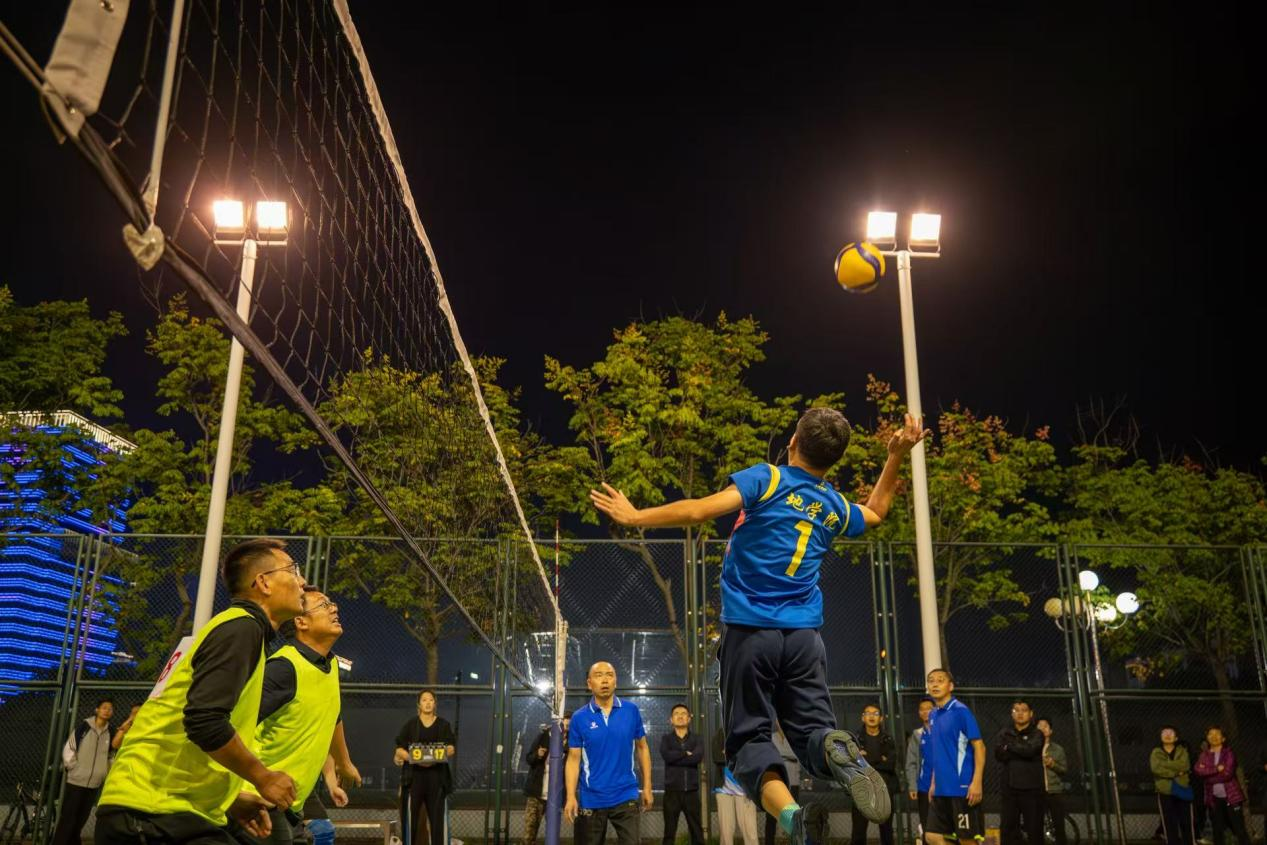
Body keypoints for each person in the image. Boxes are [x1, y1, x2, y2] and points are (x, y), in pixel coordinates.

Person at [591, 410, 928, 844]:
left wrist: (636, 516)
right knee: (813, 734)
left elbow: (699, 510)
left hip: (751, 633)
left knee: (747, 743)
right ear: (834, 460)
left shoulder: (768, 479)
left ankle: (791, 815)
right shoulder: (834, 506)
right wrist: (896, 455)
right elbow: (877, 511)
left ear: (793, 443)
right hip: (804, 640)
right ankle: (825, 765)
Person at [95, 538, 306, 843]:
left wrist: (230, 799)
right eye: (293, 570)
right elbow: (204, 721)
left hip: (163, 809)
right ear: (263, 583)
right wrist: (263, 777)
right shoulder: (242, 628)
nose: (302, 581)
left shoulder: (242, 630)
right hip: (151, 811)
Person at [238, 590, 360, 845]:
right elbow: (234, 724)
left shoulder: (330, 664)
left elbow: (332, 716)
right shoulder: (283, 668)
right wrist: (245, 786)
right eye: (323, 605)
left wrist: (344, 763)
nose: (334, 608)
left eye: (332, 603)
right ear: (301, 622)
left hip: (291, 802)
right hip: (259, 801)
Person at [563, 662, 653, 845]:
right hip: (591, 797)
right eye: (598, 675)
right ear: (589, 684)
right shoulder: (579, 717)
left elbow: (643, 748)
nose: (604, 680)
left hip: (626, 794)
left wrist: (647, 787)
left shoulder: (631, 711)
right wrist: (571, 796)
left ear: (615, 682)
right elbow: (573, 759)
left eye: (609, 675)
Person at [922, 669, 986, 845]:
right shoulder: (933, 714)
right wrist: (933, 783)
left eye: (940, 680)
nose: (935, 684)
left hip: (962, 789)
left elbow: (980, 747)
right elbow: (939, 751)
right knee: (932, 836)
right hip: (941, 789)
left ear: (950, 686)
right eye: (931, 681)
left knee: (967, 841)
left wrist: (977, 782)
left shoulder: (961, 711)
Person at [394, 690, 456, 845]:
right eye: (424, 700)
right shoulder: (411, 725)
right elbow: (399, 749)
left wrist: (433, 756)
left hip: (437, 778)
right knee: (411, 823)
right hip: (414, 779)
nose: (427, 703)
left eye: (431, 700)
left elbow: (451, 748)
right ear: (419, 704)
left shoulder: (443, 725)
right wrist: (415, 758)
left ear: (435, 704)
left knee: (438, 822)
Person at [51, 698, 116, 845]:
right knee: (68, 819)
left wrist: (103, 773)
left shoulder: (111, 732)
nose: (107, 711)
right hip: (76, 781)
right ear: (97, 710)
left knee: (81, 819)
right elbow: (70, 748)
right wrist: (74, 768)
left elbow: (111, 756)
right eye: (104, 707)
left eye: (110, 709)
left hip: (94, 784)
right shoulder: (83, 728)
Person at [994, 699, 1044, 845]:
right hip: (1009, 789)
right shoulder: (1004, 732)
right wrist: (1020, 748)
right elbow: (999, 754)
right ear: (1012, 713)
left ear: (1031, 713)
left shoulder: (1037, 733)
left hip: (1032, 790)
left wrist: (1009, 746)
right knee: (1008, 829)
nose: (1020, 713)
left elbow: (1030, 750)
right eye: (1016, 710)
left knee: (1034, 830)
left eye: (1024, 710)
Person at [1193, 726, 1251, 845]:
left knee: (1239, 830)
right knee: (1217, 831)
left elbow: (1227, 775)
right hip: (1213, 799)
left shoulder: (1228, 753)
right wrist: (1216, 769)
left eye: (1217, 734)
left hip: (1232, 798)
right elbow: (1198, 771)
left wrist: (1208, 774)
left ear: (1223, 738)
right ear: (1207, 738)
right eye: (1211, 734)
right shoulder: (1204, 755)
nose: (1214, 736)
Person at [522, 711, 571, 845]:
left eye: (568, 727)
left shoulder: (572, 742)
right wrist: (537, 755)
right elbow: (529, 758)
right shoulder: (543, 737)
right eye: (565, 723)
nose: (566, 729)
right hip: (536, 794)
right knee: (529, 833)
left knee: (553, 834)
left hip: (555, 796)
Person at [852, 705, 897, 845]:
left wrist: (866, 758)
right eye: (868, 713)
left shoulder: (888, 739)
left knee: (886, 831)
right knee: (858, 832)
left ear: (881, 718)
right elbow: (854, 764)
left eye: (875, 713)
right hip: (861, 789)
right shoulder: (856, 739)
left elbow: (890, 764)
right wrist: (880, 759)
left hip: (884, 790)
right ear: (863, 717)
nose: (871, 716)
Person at [661, 704, 704, 845]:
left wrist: (677, 757)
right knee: (669, 834)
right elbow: (667, 756)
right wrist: (685, 753)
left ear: (689, 718)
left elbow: (697, 758)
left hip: (691, 793)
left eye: (683, 713)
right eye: (676, 713)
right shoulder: (666, 739)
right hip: (671, 793)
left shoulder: (697, 739)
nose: (680, 716)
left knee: (697, 833)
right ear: (671, 720)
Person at [1152, 725, 1197, 845]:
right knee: (1169, 823)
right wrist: (1176, 772)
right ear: (1160, 737)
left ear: (1176, 738)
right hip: (1165, 790)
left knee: (1186, 822)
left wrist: (1165, 765)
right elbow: (1156, 769)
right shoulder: (1156, 752)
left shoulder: (1182, 751)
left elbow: (1185, 766)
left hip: (1182, 788)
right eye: (1164, 732)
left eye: (1171, 733)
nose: (1167, 735)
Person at [1035, 717, 1070, 845]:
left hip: (1054, 791)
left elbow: (1064, 769)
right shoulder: (1032, 748)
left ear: (1050, 731)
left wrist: (1052, 764)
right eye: (1039, 726)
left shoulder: (1058, 749)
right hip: (1036, 792)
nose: (1042, 728)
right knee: (1036, 827)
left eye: (1045, 726)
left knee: (1059, 826)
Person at [904, 698, 934, 845]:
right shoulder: (917, 734)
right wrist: (912, 785)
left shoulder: (945, 732)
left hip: (945, 787)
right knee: (927, 825)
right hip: (924, 787)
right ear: (919, 713)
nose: (926, 711)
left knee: (946, 828)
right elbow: (911, 762)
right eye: (922, 709)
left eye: (929, 708)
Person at [764, 726, 799, 845]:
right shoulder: (771, 737)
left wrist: (779, 757)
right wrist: (788, 757)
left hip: (793, 782)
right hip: (776, 782)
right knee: (771, 818)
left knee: (793, 818)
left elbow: (797, 756)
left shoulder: (794, 737)